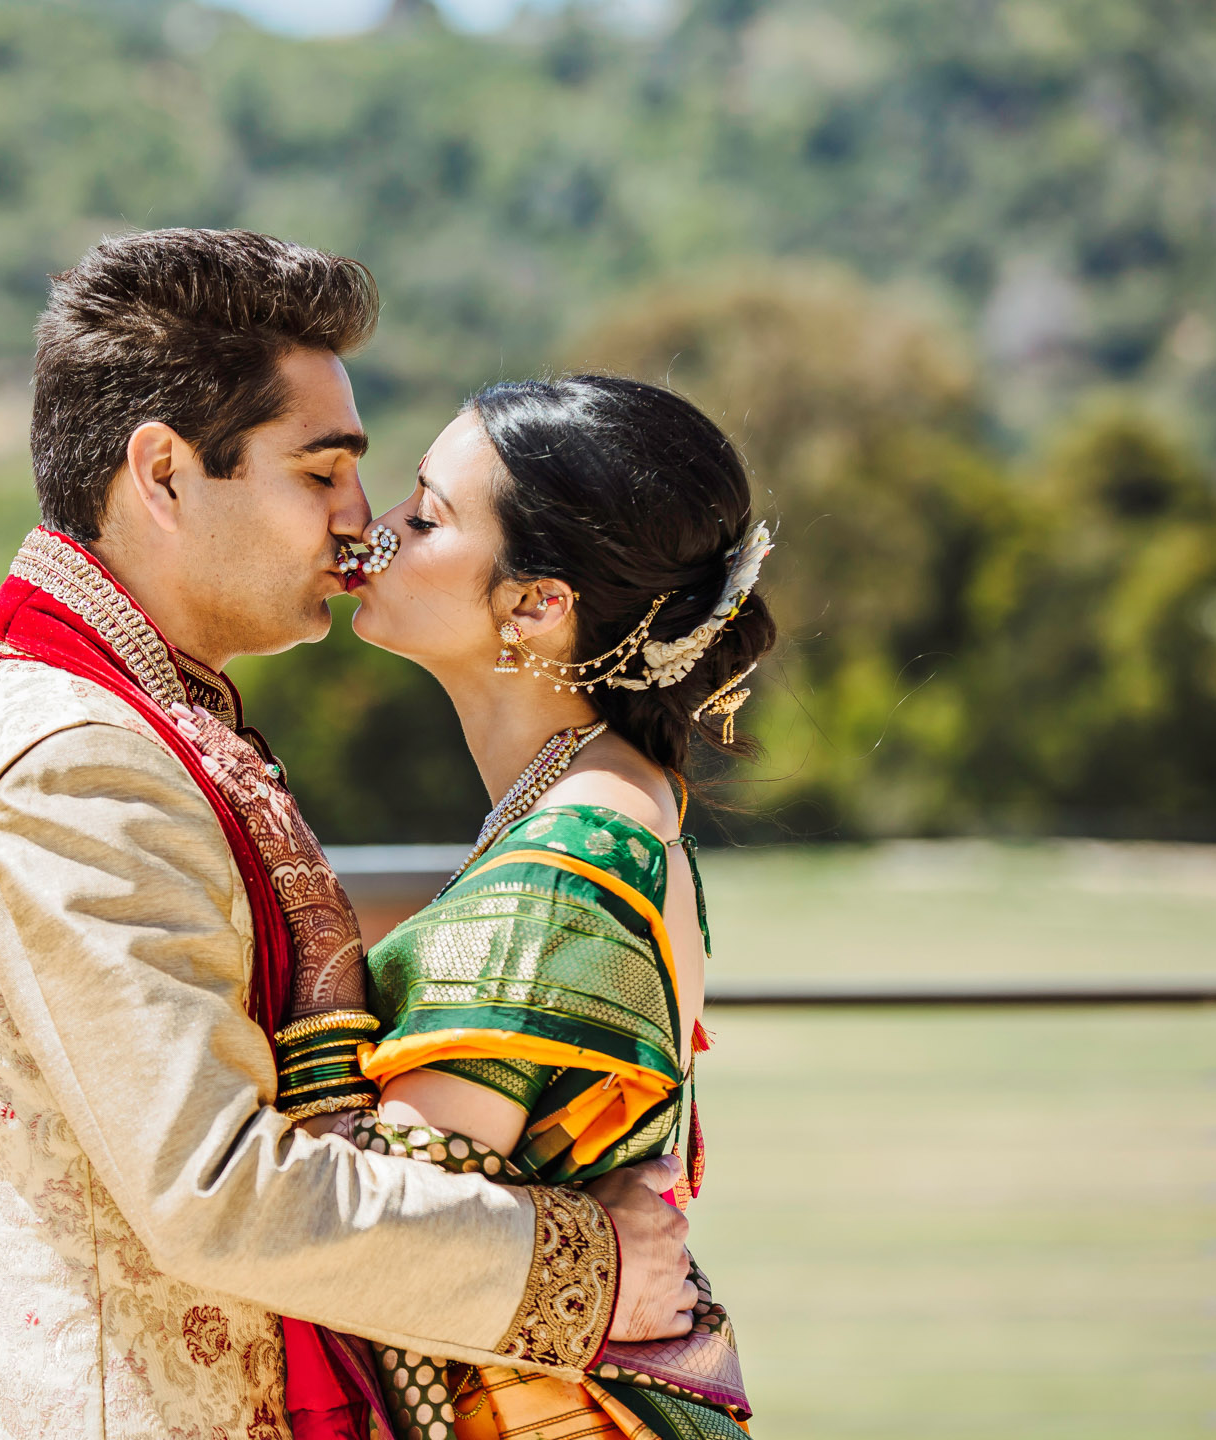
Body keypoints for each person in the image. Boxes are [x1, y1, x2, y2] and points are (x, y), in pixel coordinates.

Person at [0, 231, 699, 1440]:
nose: (357, 521)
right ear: (161, 475)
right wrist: (585, 1270)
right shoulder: (80, 762)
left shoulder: (140, 721)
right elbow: (216, 1193)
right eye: (319, 473)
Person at [177, 374, 774, 1440]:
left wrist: (308, 961)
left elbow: (391, 1242)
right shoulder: (613, 802)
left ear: (539, 605)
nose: (372, 527)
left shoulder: (569, 858)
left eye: (428, 512)